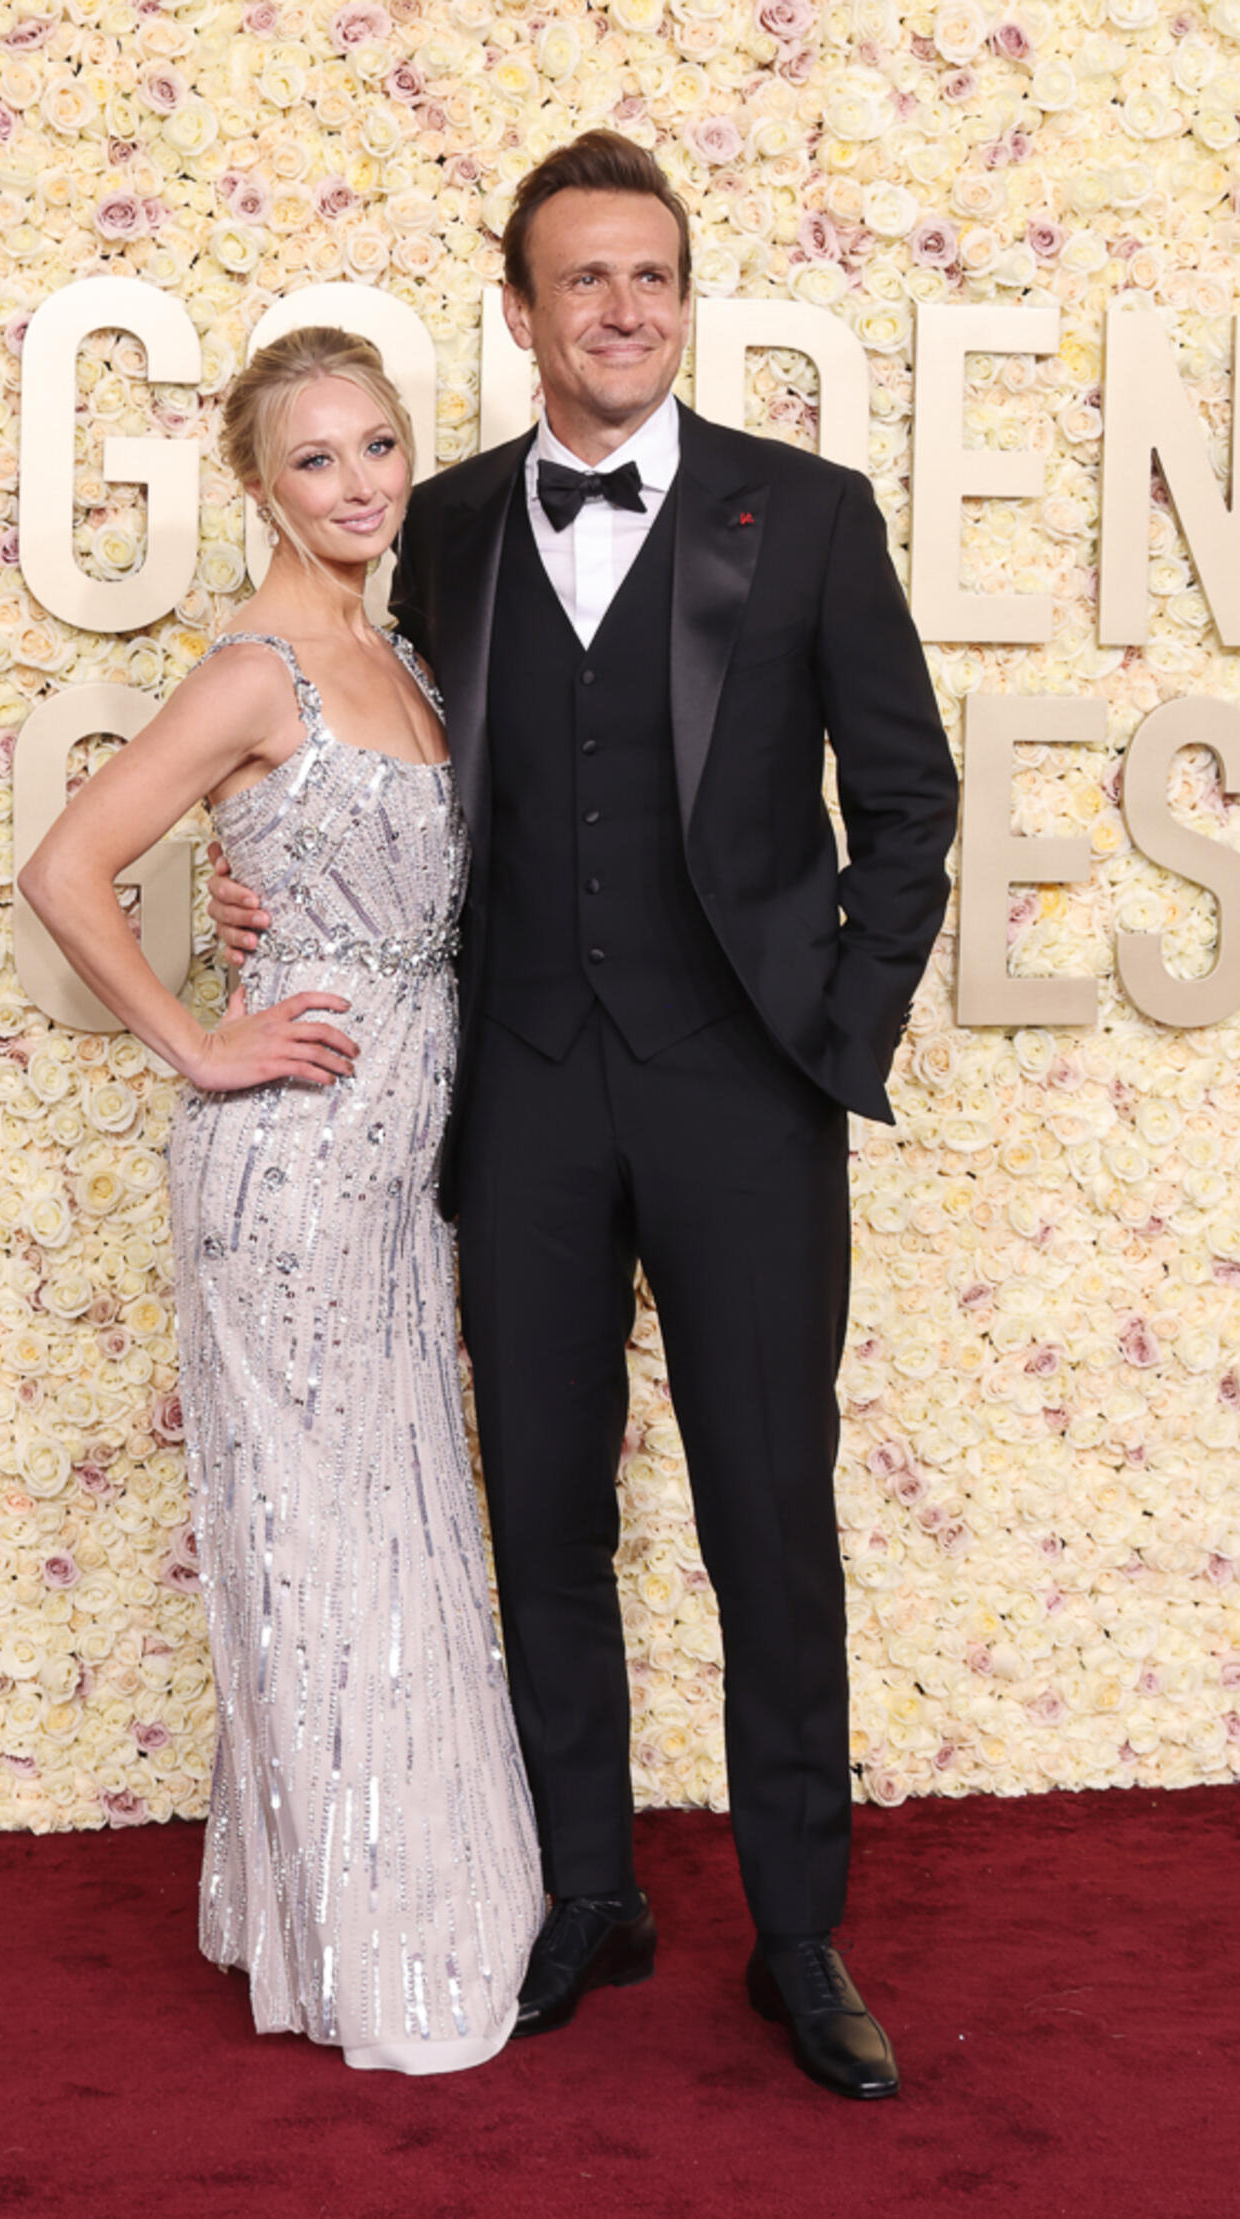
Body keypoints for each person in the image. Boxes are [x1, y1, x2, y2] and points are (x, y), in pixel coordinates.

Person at [211, 133, 959, 2100]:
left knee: (763, 1525)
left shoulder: (799, 516)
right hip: (518, 1100)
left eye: (650, 276)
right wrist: (256, 890)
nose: (618, 306)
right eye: (581, 279)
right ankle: (583, 1891)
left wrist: (833, 1029)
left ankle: (796, 1938)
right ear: (522, 310)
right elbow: (352, 767)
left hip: (738, 1100)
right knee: (539, 1513)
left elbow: (905, 800)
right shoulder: (439, 529)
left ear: (677, 300)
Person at [20, 328, 542, 2072]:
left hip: (412, 1165)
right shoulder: (255, 670)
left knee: (396, 1516)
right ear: (258, 487)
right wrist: (198, 1040)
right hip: (293, 1162)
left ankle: (351, 1903)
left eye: (380, 447)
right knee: (320, 1533)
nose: (361, 484)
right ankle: (363, 1945)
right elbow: (66, 861)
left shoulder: (404, 655)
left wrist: (260, 902)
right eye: (317, 460)